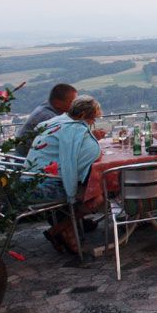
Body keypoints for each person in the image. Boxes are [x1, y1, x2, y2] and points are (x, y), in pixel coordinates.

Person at [25, 95, 102, 254]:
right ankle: (60, 229)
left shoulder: (54, 122)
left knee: (89, 188)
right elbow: (76, 163)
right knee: (97, 195)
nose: (93, 123)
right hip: (42, 187)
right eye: (92, 119)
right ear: (82, 116)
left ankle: (66, 232)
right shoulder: (73, 129)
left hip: (27, 180)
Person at [15, 83, 77, 155]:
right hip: (28, 158)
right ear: (58, 103)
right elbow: (66, 143)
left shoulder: (48, 107)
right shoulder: (49, 118)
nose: (75, 105)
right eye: (72, 102)